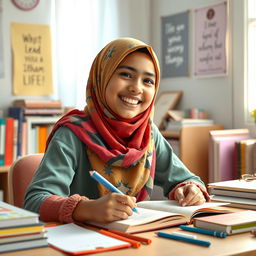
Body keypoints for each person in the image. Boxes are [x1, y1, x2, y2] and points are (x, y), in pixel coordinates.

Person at [24, 37, 210, 224]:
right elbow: (34, 201)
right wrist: (85, 209)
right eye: (126, 75)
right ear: (102, 76)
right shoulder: (72, 133)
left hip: (137, 242)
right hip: (81, 245)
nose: (136, 88)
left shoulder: (148, 134)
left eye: (147, 81)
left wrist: (190, 189)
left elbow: (186, 179)